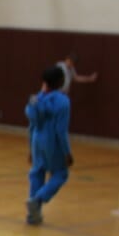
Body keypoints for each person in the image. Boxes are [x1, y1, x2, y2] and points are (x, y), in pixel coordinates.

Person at [26, 65, 73, 225]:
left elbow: (31, 125)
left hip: (36, 140)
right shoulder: (63, 101)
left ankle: (33, 215)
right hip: (52, 142)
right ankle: (38, 198)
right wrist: (67, 152)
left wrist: (30, 148)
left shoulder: (35, 99)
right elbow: (61, 130)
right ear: (60, 82)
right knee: (61, 173)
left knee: (37, 173)